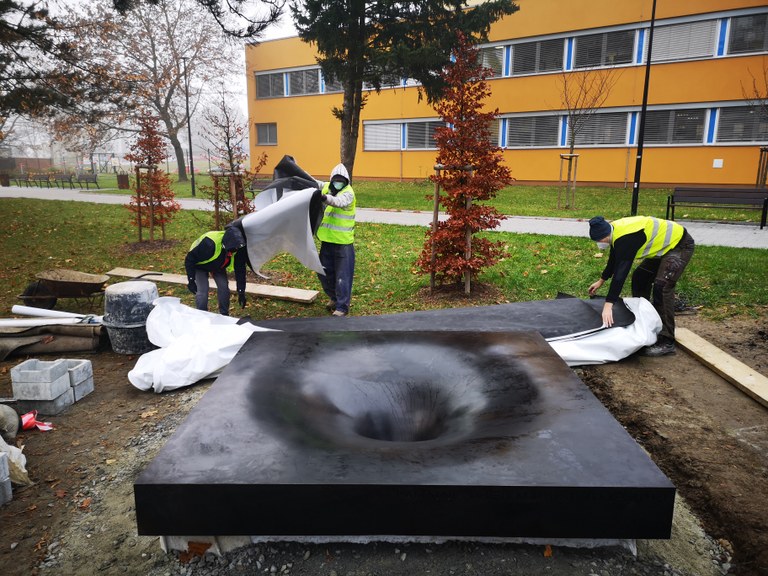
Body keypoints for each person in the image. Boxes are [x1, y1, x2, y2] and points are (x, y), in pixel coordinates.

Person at [587, 215, 695, 357]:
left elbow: (621, 274)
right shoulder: (614, 231)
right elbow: (614, 259)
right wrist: (602, 280)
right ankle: (646, 320)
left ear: (604, 236)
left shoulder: (626, 239)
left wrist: (609, 304)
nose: (599, 244)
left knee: (662, 287)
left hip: (679, 245)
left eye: (599, 241)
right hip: (663, 248)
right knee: (640, 278)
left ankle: (666, 341)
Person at [316, 163, 356, 317]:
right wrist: (297, 171)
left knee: (342, 276)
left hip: (343, 243)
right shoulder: (327, 187)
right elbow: (314, 183)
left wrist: (324, 198)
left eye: (342, 180)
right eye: (335, 180)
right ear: (332, 180)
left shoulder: (348, 193)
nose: (338, 182)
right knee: (324, 272)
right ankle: (334, 298)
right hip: (327, 241)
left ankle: (342, 307)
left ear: (346, 181)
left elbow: (337, 202)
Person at [185, 225, 248, 316]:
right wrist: (191, 279)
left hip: (217, 265)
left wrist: (241, 291)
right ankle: (202, 316)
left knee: (224, 288)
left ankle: (224, 315)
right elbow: (190, 259)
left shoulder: (238, 248)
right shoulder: (209, 243)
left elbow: (240, 270)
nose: (233, 252)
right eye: (231, 251)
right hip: (199, 265)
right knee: (202, 291)